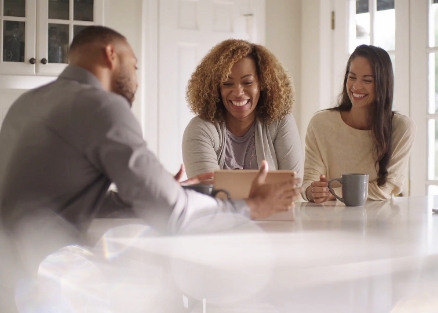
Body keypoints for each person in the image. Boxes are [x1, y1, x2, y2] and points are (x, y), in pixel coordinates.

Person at [302, 44, 416, 203]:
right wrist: (313, 192)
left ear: (383, 84)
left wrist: (333, 192)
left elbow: (386, 188)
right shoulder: (320, 124)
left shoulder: (401, 128)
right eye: (352, 77)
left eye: (367, 80)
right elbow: (309, 181)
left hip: (380, 223)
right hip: (331, 222)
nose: (356, 86)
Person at [182, 39, 303, 178]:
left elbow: (293, 184)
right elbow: (207, 192)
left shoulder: (281, 122)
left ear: (263, 84)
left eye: (248, 82)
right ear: (215, 88)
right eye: (227, 83)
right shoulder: (200, 129)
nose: (238, 92)